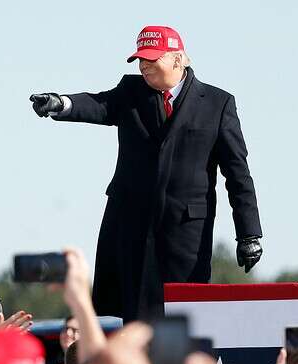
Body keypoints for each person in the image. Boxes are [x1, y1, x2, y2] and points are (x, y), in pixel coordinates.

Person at [30, 26, 263, 321]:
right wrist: (60, 103)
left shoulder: (218, 104)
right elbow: (100, 105)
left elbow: (238, 174)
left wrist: (248, 233)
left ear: (178, 60)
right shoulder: (131, 91)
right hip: (130, 227)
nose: (144, 67)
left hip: (185, 234)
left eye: (152, 60)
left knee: (182, 315)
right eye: (141, 60)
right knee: (127, 314)